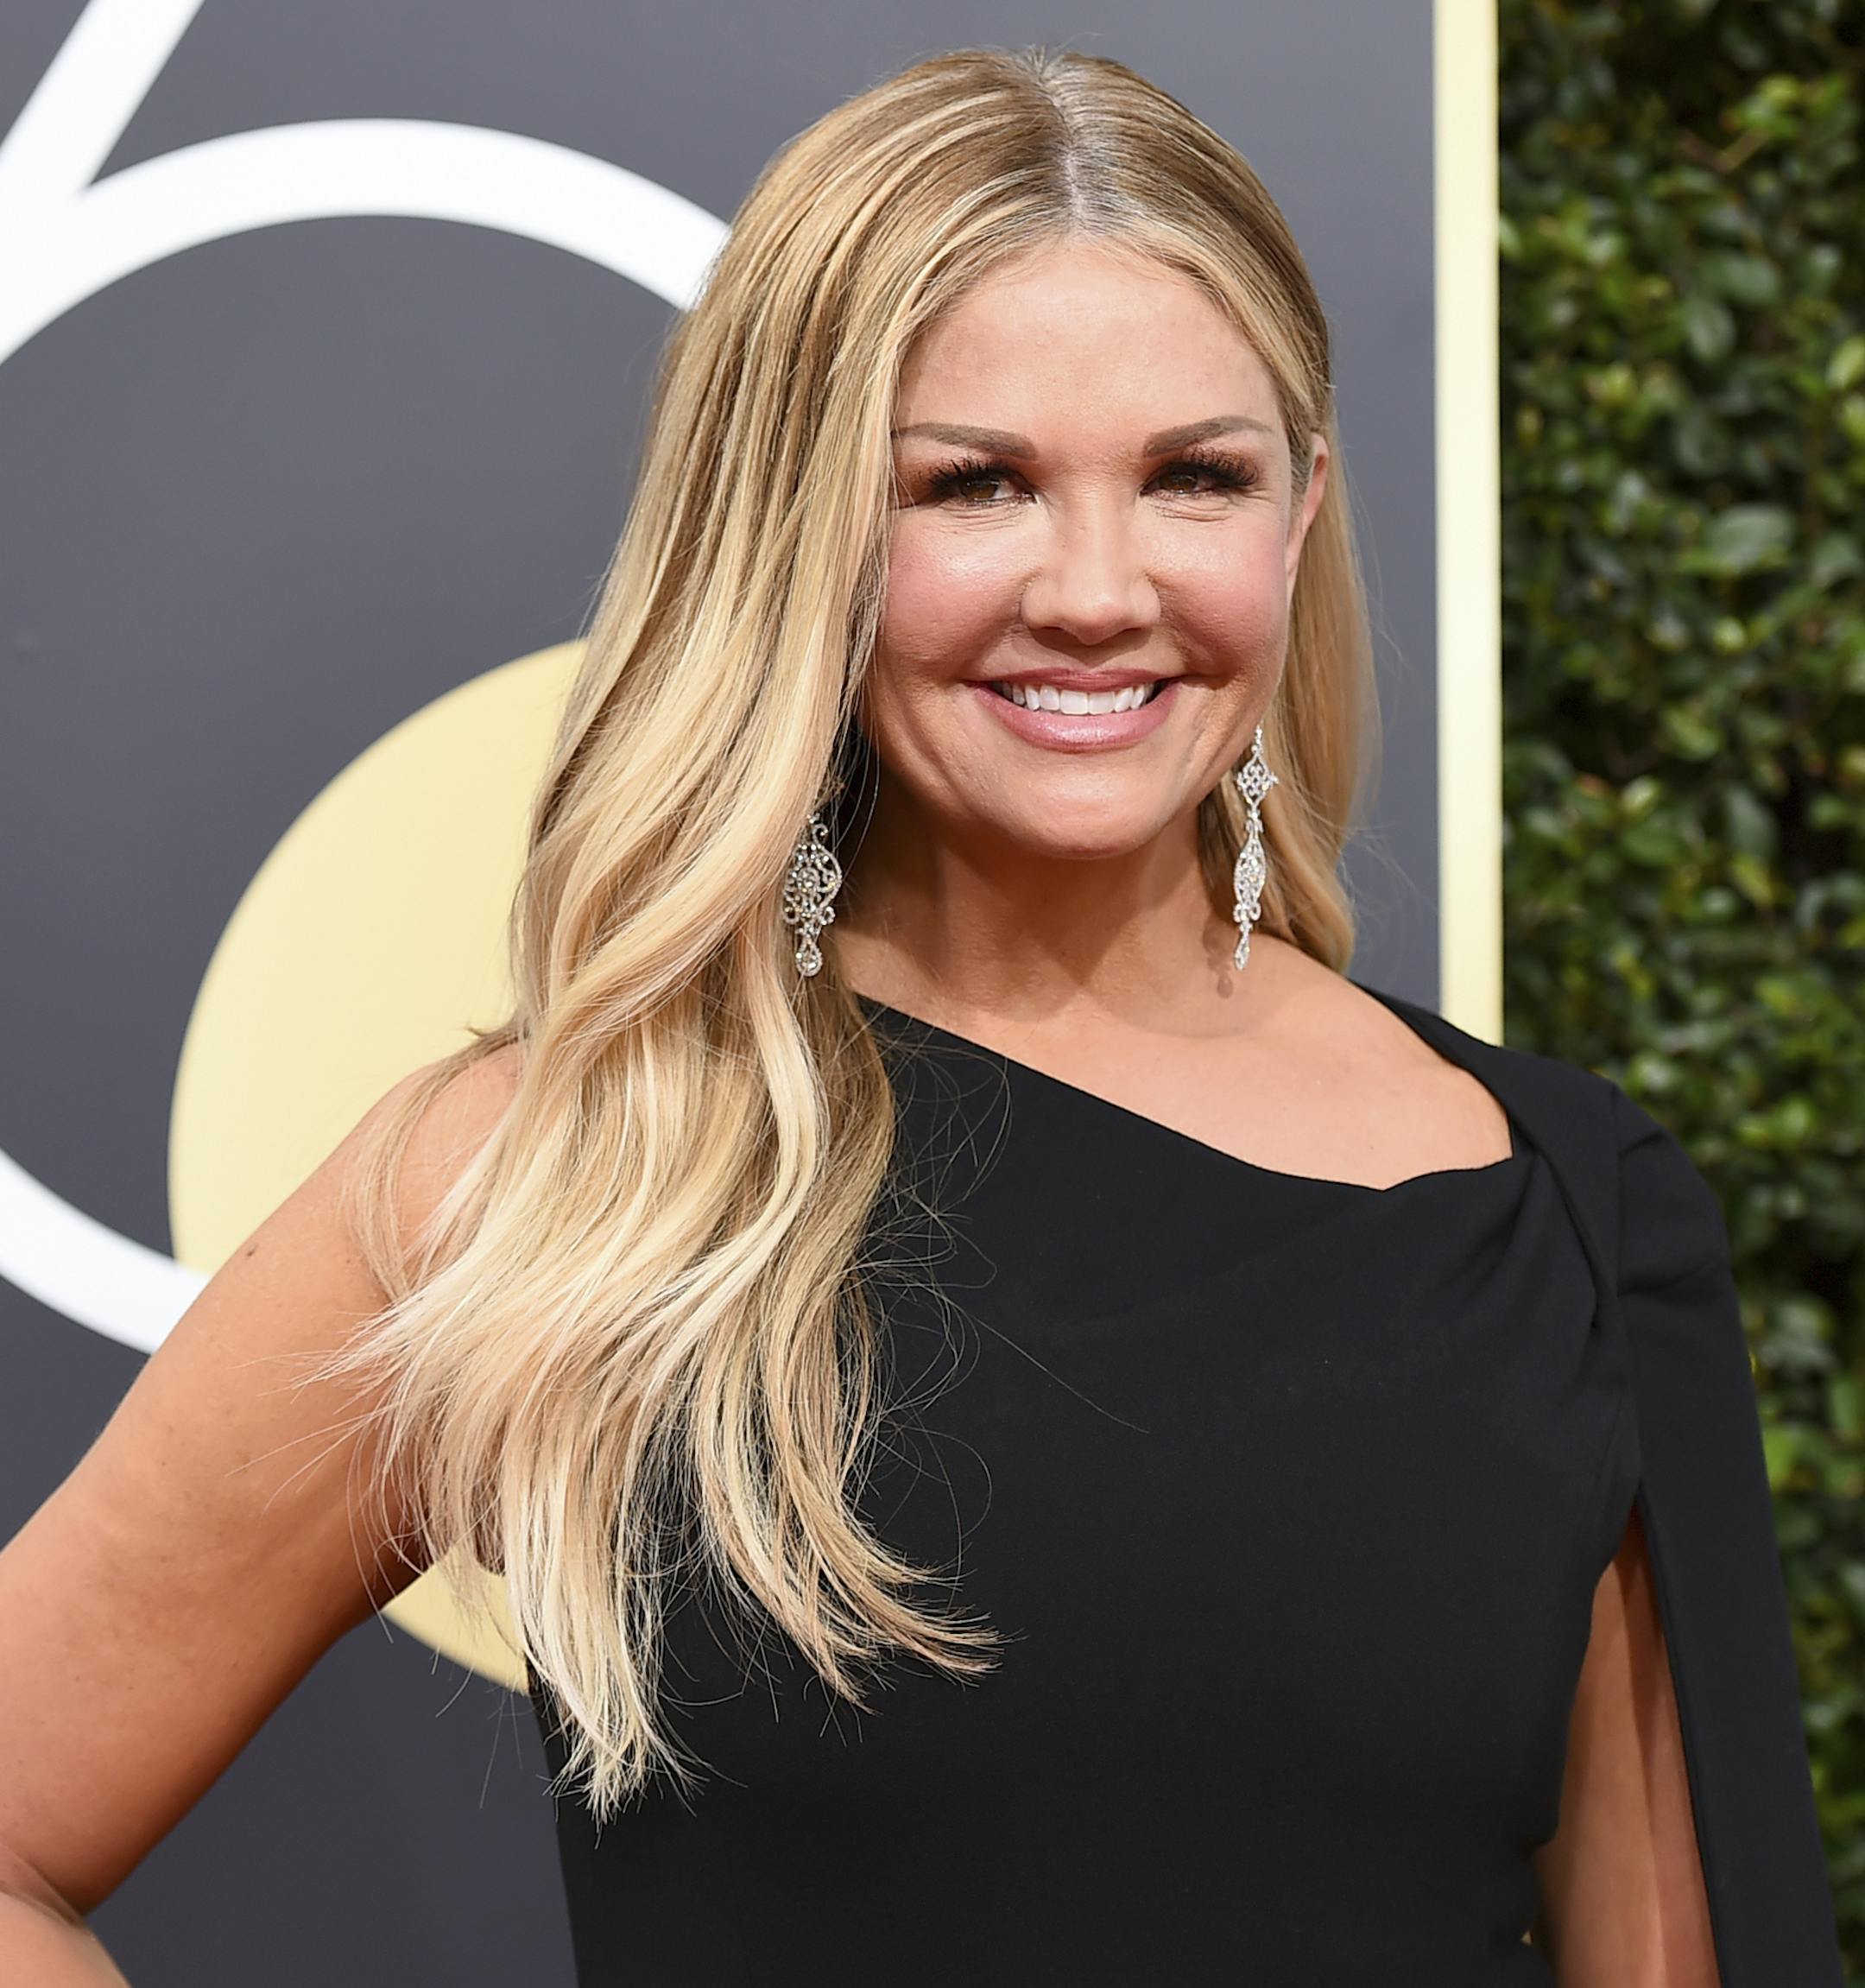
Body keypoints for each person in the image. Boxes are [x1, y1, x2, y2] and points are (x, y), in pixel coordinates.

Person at [0, 42, 1843, 1988]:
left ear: (1299, 515)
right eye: (976, 483)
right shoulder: (562, 1172)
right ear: (798, 531)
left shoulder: (1566, 1213)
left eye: (1196, 477)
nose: (1099, 589)